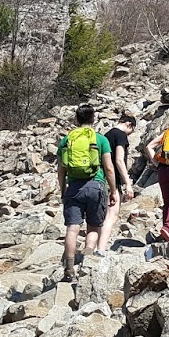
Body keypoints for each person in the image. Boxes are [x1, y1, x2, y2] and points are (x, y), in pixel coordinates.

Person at [55, 104, 119, 281]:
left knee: (72, 228)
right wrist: (113, 190)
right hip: (96, 186)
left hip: (74, 188)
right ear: (93, 119)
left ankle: (69, 269)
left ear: (76, 119)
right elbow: (109, 168)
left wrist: (63, 191)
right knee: (93, 226)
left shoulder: (66, 140)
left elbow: (61, 170)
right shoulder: (100, 139)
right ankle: (87, 263)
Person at [96, 113, 138, 251]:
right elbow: (119, 160)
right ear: (129, 124)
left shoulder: (106, 135)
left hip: (99, 179)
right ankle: (100, 250)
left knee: (100, 217)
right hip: (112, 181)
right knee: (111, 216)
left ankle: (92, 248)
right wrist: (128, 184)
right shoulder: (120, 135)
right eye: (131, 131)